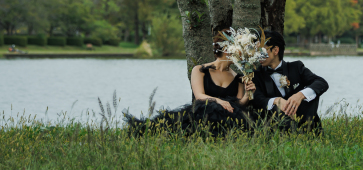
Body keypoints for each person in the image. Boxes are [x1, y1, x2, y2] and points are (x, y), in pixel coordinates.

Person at [124, 39, 255, 137]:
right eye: (239, 50)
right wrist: (219, 101)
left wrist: (247, 95)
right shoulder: (200, 70)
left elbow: (238, 104)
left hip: (228, 116)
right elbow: (199, 95)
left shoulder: (238, 77)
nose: (242, 54)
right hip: (204, 113)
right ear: (227, 50)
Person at [244, 31, 329, 132]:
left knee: (311, 94)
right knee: (272, 108)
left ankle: (307, 130)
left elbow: (321, 82)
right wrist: (276, 101)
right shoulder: (255, 75)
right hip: (277, 125)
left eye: (261, 50)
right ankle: (294, 134)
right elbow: (257, 99)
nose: (258, 55)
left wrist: (300, 95)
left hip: (303, 118)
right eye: (256, 51)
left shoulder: (296, 67)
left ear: (275, 50)